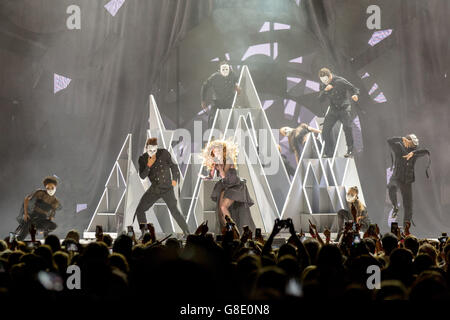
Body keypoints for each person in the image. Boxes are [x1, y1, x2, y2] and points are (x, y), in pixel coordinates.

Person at [133, 138, 190, 237]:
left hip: (167, 188)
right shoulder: (142, 159)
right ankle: (144, 232)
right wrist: (148, 165)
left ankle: (187, 232)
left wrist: (174, 180)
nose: (152, 153)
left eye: (154, 150)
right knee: (140, 209)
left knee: (174, 210)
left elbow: (174, 166)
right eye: (150, 150)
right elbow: (142, 176)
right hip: (155, 189)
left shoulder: (163, 153)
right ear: (146, 148)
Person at [201, 139, 254, 232]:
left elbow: (224, 175)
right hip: (225, 185)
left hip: (234, 186)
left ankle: (234, 231)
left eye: (218, 150)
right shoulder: (217, 161)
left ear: (223, 150)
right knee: (220, 210)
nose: (216, 152)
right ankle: (227, 230)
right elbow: (212, 174)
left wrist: (220, 168)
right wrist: (208, 176)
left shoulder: (228, 159)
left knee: (223, 207)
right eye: (214, 151)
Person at [387, 134, 431, 228]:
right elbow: (389, 141)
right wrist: (401, 138)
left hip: (407, 181)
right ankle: (395, 207)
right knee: (391, 187)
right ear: (407, 141)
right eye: (412, 143)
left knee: (408, 205)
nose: (414, 146)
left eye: (414, 144)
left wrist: (413, 153)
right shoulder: (399, 146)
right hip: (397, 177)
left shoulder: (414, 151)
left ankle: (406, 229)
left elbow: (426, 151)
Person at [318, 67, 360, 158]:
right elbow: (320, 99)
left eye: (326, 80)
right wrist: (325, 90)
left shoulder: (340, 81)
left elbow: (354, 88)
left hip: (344, 108)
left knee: (347, 127)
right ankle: (329, 153)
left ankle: (350, 150)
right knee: (325, 131)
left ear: (330, 76)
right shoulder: (323, 85)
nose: (325, 82)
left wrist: (355, 94)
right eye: (322, 81)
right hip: (333, 109)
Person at [14, 176, 62, 241]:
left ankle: (46, 241)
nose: (50, 190)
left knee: (52, 226)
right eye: (48, 188)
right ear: (45, 188)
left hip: (42, 219)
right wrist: (25, 213)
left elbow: (51, 215)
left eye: (52, 188)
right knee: (22, 234)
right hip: (33, 216)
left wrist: (44, 228)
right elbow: (26, 199)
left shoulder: (55, 201)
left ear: (55, 188)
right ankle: (15, 241)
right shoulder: (40, 193)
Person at [201, 61, 240, 128]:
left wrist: (237, 85)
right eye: (223, 69)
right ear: (219, 70)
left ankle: (231, 135)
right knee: (212, 119)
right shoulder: (214, 77)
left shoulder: (233, 75)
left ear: (229, 69)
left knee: (232, 119)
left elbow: (238, 82)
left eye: (226, 69)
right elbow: (204, 86)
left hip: (229, 103)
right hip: (217, 103)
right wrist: (203, 100)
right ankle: (212, 135)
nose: (225, 71)